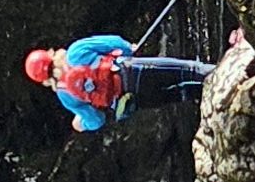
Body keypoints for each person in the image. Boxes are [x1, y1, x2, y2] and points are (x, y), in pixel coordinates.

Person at [26, 33, 216, 132]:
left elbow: (96, 121)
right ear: (50, 54)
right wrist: (128, 49)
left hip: (130, 100)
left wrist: (80, 124)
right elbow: (114, 43)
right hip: (134, 71)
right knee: (190, 70)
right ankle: (229, 75)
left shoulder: (64, 95)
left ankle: (218, 95)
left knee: (185, 93)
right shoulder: (75, 52)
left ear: (44, 81)